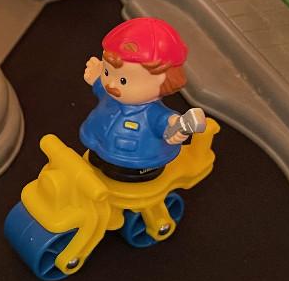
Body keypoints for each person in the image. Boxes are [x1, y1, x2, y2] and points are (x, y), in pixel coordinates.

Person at [79, 17, 205, 182]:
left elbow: (164, 119)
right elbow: (102, 92)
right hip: (98, 142)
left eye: (123, 80)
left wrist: (176, 126)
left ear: (163, 82)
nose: (111, 84)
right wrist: (97, 78)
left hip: (134, 161)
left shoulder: (151, 112)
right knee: (94, 163)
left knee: (121, 179)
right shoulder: (111, 93)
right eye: (107, 72)